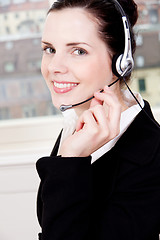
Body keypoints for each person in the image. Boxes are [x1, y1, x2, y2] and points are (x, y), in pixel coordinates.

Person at [36, 0, 160, 239]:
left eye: (78, 51)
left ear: (120, 61)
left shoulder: (151, 160)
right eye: (50, 49)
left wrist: (72, 160)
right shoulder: (76, 120)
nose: (54, 67)